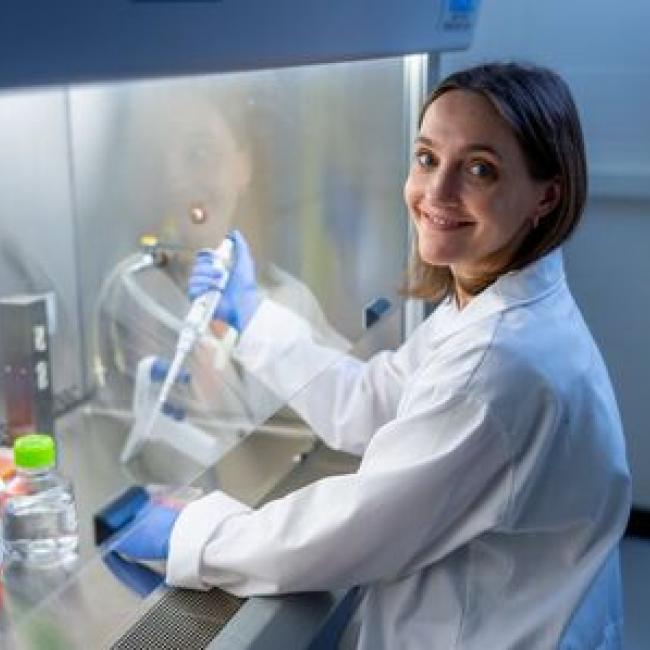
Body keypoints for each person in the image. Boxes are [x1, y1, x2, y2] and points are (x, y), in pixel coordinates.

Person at [115, 62, 631, 649]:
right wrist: (253, 318)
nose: (436, 193)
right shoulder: (492, 301)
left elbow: (352, 532)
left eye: (480, 169)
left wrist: (191, 536)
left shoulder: (499, 364)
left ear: (547, 195)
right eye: (427, 158)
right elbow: (378, 400)